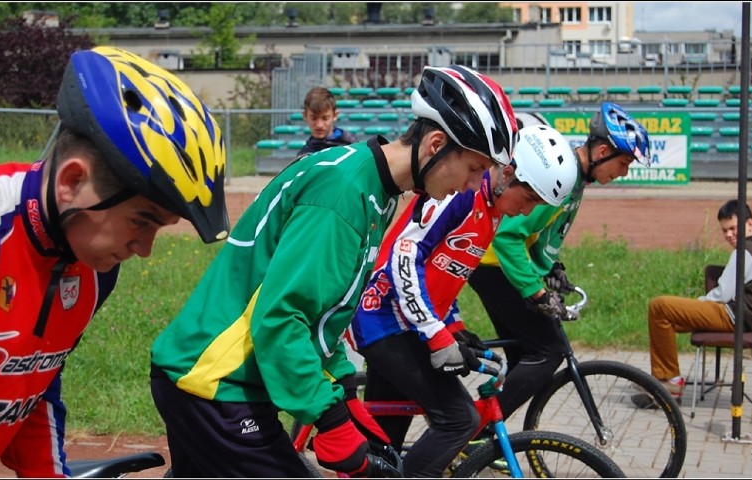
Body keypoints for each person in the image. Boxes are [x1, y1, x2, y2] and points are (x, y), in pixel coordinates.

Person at [148, 65, 518, 478]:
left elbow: (325, 311)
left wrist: (343, 388)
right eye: (472, 168)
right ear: (436, 144)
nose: (472, 185)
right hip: (216, 381)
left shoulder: (372, 187)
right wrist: (329, 418)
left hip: (212, 377)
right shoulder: (343, 192)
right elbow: (282, 316)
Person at [0, 46, 229, 478]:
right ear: (73, 181)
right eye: (141, 221)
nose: (145, 249)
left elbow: (33, 384)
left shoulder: (92, 266)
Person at [347, 124, 579, 478]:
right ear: (509, 173)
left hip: (407, 323)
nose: (528, 211)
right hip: (383, 319)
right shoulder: (463, 195)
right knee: (459, 418)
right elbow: (403, 260)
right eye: (530, 199)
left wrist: (452, 327)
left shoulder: (493, 212)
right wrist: (437, 334)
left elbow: (447, 275)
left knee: (383, 447)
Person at [467, 102, 653, 422]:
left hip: (505, 265)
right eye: (623, 163)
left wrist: (550, 268)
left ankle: (489, 440)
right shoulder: (564, 176)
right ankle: (475, 433)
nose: (623, 173)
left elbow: (539, 235)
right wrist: (536, 292)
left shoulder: (576, 179)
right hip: (494, 264)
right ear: (603, 151)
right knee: (547, 352)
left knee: (526, 355)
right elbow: (508, 235)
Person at [633, 199, 752, 408]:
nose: (729, 235)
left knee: (659, 306)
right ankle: (664, 380)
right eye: (725, 231)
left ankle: (670, 382)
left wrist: (698, 304)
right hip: (749, 320)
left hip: (732, 316)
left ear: (750, 224)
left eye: (733, 228)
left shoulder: (745, 251)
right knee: (667, 321)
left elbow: (723, 294)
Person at [296, 86, 358, 157]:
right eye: (313, 118)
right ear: (305, 115)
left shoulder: (352, 146)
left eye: (325, 118)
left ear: (335, 115)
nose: (319, 125)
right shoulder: (304, 154)